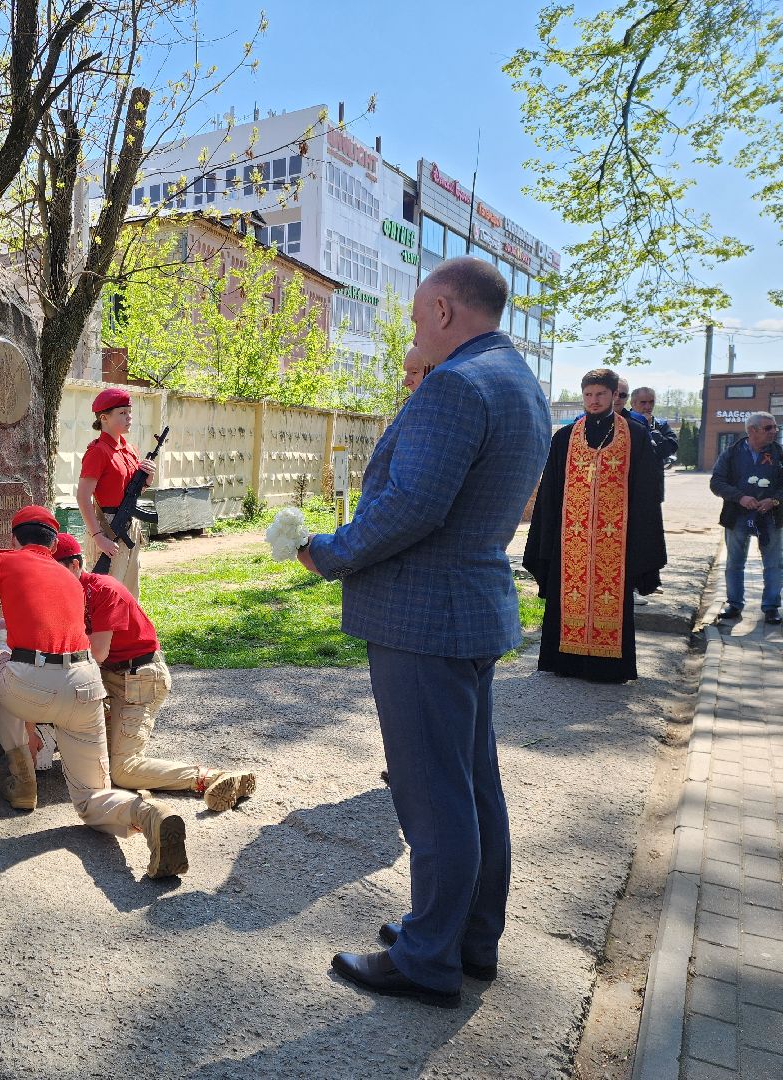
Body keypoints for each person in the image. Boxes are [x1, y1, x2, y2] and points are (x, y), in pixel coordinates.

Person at [297, 257, 552, 1009]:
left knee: (432, 794)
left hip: (423, 618)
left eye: (414, 318)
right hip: (469, 609)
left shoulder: (454, 385)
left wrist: (330, 552)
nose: (414, 332)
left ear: (443, 310)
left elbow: (412, 506)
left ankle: (428, 958)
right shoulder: (520, 383)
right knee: (473, 788)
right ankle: (467, 938)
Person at [0, 506, 188, 879]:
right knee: (91, 801)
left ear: (14, 539)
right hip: (86, 684)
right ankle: (148, 813)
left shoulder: (4, 561)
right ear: (54, 542)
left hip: (31, 685)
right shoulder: (72, 581)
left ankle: (22, 774)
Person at [50, 533, 256, 810]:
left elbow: (96, 653)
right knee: (99, 763)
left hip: (139, 677)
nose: (47, 581)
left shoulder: (103, 589)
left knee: (123, 770)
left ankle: (211, 777)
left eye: (53, 571)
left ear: (75, 565)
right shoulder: (65, 594)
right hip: (109, 675)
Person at [525, 369, 666, 682]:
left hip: (615, 538)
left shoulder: (634, 435)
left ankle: (607, 668)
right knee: (567, 596)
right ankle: (565, 662)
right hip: (570, 539)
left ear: (614, 395)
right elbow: (550, 493)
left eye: (600, 394)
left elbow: (645, 490)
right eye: (588, 395)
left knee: (611, 598)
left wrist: (642, 539)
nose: (594, 401)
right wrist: (546, 541)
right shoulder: (564, 437)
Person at [78, 387, 154, 597]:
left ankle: (129, 630)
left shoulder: (130, 450)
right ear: (104, 418)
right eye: (122, 413)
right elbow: (83, 497)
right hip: (108, 525)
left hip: (130, 523)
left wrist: (147, 480)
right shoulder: (98, 452)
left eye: (129, 412)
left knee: (130, 591)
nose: (129, 417)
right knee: (106, 592)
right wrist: (98, 537)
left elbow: (128, 492)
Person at [710, 411, 783, 624]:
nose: (775, 431)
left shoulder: (779, 453)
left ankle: (771, 607)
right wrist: (739, 497)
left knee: (774, 564)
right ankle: (734, 604)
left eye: (775, 427)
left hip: (770, 516)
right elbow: (716, 482)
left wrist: (775, 500)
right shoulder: (731, 453)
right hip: (737, 516)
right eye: (768, 428)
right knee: (734, 563)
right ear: (752, 430)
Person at [630, 386, 679, 497]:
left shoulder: (661, 425)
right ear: (633, 403)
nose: (648, 407)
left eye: (651, 402)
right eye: (643, 402)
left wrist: (651, 430)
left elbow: (669, 449)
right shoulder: (623, 422)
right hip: (627, 488)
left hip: (652, 489)